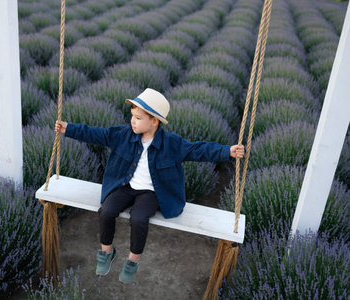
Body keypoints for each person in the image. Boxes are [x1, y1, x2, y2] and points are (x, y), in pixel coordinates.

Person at [54, 88, 245, 284]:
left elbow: (199, 149)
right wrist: (68, 128)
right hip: (125, 186)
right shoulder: (122, 135)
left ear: (154, 121)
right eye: (132, 116)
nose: (132, 121)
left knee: (138, 218)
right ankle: (106, 252)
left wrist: (227, 151)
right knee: (107, 211)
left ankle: (132, 261)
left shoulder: (172, 144)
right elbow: (96, 134)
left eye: (138, 118)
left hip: (152, 192)